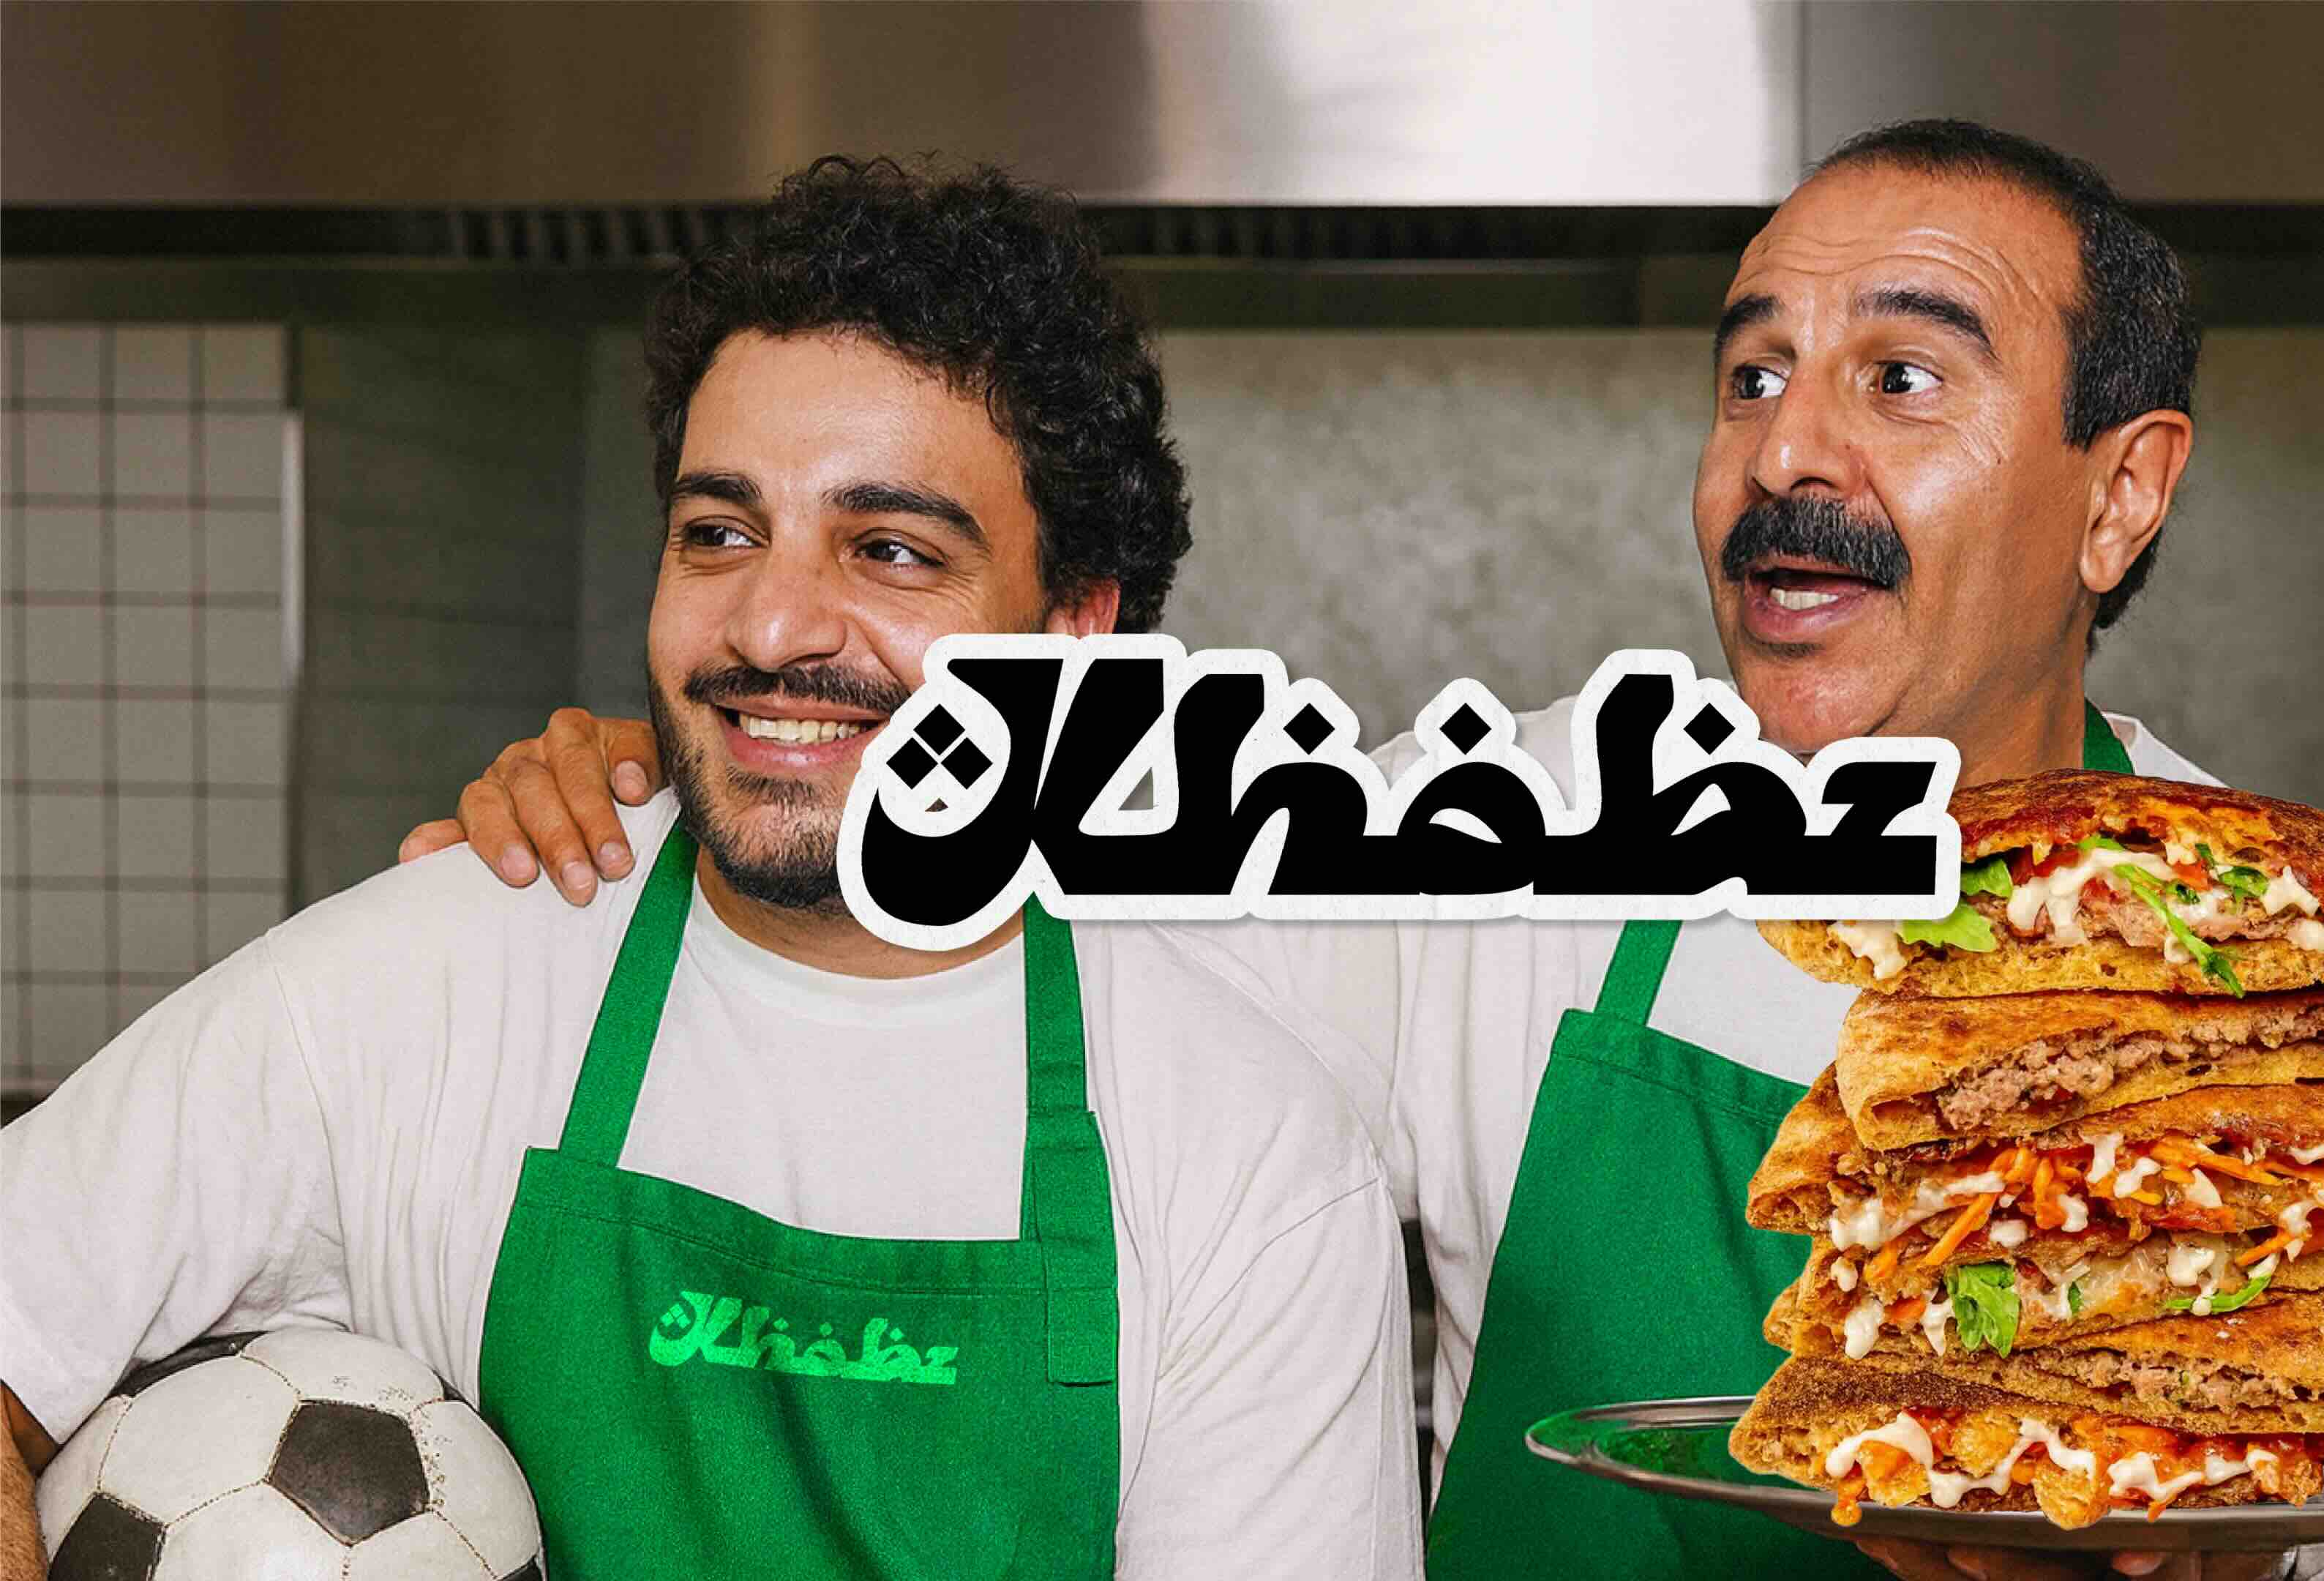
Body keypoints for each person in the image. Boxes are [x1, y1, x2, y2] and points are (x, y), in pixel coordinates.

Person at [402, 122, 2324, 1581]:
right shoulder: (1505, 858)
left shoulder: (2295, 1018)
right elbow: (960, 912)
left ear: (2124, 495)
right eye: (1750, 376)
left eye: (1900, 382)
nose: (1788, 456)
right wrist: (688, 770)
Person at [0, 157, 1419, 1581]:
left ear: (1071, 632)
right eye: (721, 532)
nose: (776, 622)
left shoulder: (1244, 1154)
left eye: (891, 549)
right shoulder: (412, 987)